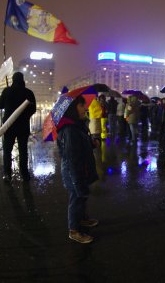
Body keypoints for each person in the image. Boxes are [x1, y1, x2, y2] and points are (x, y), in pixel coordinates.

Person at [56, 95, 99, 244]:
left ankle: (82, 219)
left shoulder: (77, 125)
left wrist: (92, 143)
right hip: (74, 172)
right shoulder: (70, 130)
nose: (85, 108)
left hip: (81, 169)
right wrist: (77, 180)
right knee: (77, 198)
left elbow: (81, 146)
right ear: (72, 109)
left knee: (82, 197)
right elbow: (72, 157)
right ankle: (74, 230)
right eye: (81, 106)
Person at [0, 72, 36, 182]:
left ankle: (7, 174)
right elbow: (33, 109)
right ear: (23, 80)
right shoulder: (29, 93)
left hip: (9, 126)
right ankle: (24, 174)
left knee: (7, 151)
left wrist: (5, 94)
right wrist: (25, 117)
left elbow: (0, 105)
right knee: (23, 150)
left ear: (13, 80)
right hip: (23, 127)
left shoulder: (7, 91)